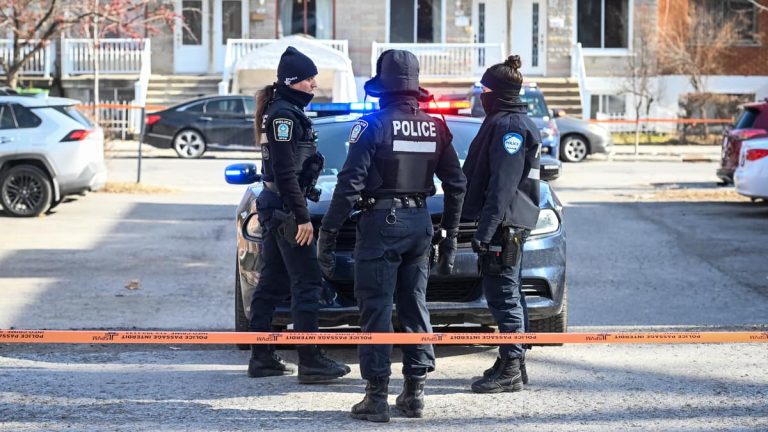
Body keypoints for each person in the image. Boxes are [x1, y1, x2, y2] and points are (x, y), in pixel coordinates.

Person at [317, 50, 466, 422]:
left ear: (382, 89)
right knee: (415, 304)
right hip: (420, 225)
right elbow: (457, 184)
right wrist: (449, 237)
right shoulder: (437, 127)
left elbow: (349, 185)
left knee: (377, 309)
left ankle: (376, 397)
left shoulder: (372, 126)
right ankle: (414, 393)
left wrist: (328, 235)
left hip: (381, 226)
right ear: (416, 89)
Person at [248, 46, 350, 384]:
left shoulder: (288, 111)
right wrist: (302, 216)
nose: (314, 84)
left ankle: (261, 357)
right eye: (309, 78)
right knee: (307, 283)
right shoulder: (283, 116)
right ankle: (311, 361)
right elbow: (285, 171)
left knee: (273, 282)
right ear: (293, 81)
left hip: (279, 207)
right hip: (286, 210)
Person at [461, 55, 541, 394]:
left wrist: (484, 229)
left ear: (499, 92)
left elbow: (503, 185)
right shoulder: (509, 120)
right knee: (510, 292)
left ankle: (510, 366)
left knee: (504, 295)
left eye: (484, 89)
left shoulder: (509, 126)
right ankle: (513, 359)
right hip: (507, 223)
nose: (481, 95)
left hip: (505, 225)